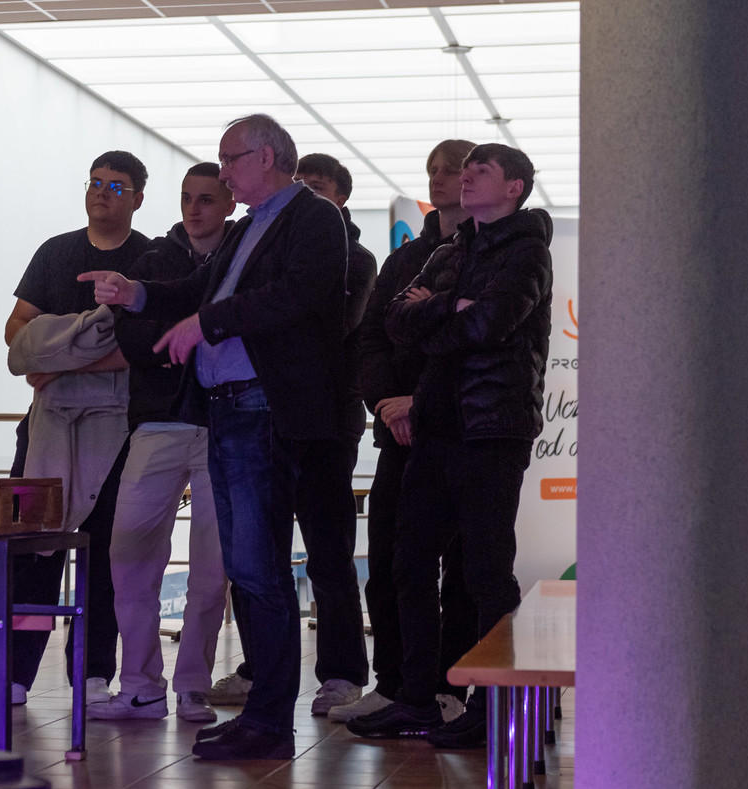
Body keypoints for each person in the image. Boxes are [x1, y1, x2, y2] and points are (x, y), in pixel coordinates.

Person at [82, 114, 350, 760]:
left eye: (231, 159)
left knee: (259, 568)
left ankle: (270, 720)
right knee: (248, 567)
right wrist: (136, 293)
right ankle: (263, 715)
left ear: (267, 157)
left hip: (263, 407)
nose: (224, 171)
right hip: (227, 408)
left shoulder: (312, 217)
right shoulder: (248, 227)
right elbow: (197, 289)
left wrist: (208, 325)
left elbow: (298, 295)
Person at [347, 143, 552, 747]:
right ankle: (417, 697)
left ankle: (494, 705)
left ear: (513, 187)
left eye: (480, 170)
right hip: (435, 426)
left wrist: (434, 311)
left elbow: (491, 323)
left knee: (486, 571)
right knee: (408, 562)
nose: (465, 178)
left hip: (491, 429)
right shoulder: (448, 250)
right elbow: (395, 322)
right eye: (465, 170)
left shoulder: (527, 251)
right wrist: (452, 309)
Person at [0, 151, 149, 708]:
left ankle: (94, 676)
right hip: (46, 426)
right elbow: (18, 330)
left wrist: (58, 357)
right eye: (96, 182)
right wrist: (81, 339)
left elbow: (144, 345)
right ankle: (8, 674)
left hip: (118, 430)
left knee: (104, 556)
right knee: (32, 548)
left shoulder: (151, 258)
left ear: (137, 198)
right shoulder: (56, 252)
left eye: (117, 186)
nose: (103, 192)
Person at [206, 152, 377, 718]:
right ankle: (261, 668)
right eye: (301, 182)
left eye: (317, 186)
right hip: (267, 410)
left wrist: (246, 315)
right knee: (257, 549)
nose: (305, 192)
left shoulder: (357, 258)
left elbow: (330, 325)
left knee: (328, 549)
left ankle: (342, 673)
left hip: (326, 419)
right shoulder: (257, 241)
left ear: (340, 198)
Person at [329, 139, 480, 727]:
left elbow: (476, 343)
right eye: (433, 171)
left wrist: (423, 400)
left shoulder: (494, 256)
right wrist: (388, 406)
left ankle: (451, 687)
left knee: (463, 570)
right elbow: (371, 341)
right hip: (399, 432)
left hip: (463, 430)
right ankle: (395, 684)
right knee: (393, 563)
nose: (440, 180)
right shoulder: (404, 261)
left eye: (452, 170)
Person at [93, 162, 235, 724]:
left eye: (206, 199)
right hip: (158, 422)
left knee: (212, 566)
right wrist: (194, 337)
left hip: (224, 424)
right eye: (186, 197)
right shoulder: (152, 261)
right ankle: (140, 684)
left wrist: (187, 335)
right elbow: (134, 339)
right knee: (128, 552)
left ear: (229, 203)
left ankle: (193, 685)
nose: (194, 209)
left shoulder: (240, 258)